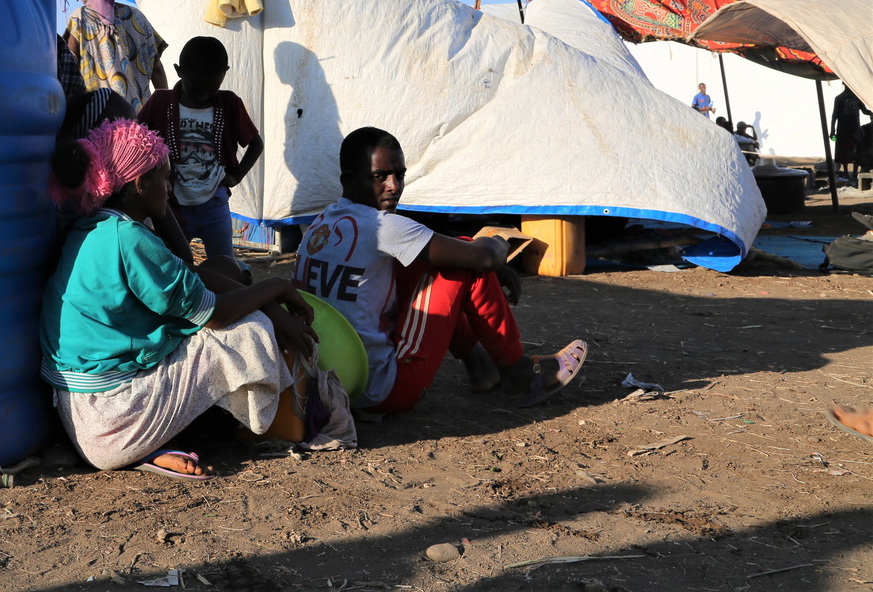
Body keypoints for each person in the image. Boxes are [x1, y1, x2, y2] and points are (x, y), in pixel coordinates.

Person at [42, 119, 317, 479]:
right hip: (117, 421)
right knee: (250, 331)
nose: (170, 189)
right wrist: (277, 287)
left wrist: (264, 298)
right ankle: (179, 439)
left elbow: (189, 270)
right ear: (140, 184)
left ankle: (157, 445)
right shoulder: (130, 239)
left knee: (222, 271)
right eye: (165, 178)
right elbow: (217, 315)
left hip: (78, 416)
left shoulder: (94, 227)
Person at [292, 127, 587, 414]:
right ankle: (518, 373)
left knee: (443, 257)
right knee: (463, 266)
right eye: (380, 176)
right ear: (349, 180)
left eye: (400, 175)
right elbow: (484, 258)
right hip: (382, 391)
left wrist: (479, 255)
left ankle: (481, 367)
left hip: (330, 383)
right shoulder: (382, 226)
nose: (394, 186)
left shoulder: (322, 223)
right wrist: (498, 243)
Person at [139, 36, 263, 261]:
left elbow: (256, 144)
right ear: (178, 71)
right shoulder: (160, 102)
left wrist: (237, 176)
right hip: (172, 206)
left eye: (212, 89)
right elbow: (136, 139)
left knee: (225, 262)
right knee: (174, 263)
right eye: (196, 89)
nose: (203, 96)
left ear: (224, 73)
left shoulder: (230, 103)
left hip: (214, 203)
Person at [62, 0, 167, 113]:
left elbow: (67, 68)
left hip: (99, 117)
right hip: (140, 116)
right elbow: (156, 68)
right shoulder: (136, 16)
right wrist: (165, 109)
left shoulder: (80, 19)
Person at [831, 86, 868, 180]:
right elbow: (835, 115)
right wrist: (832, 131)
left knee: (857, 151)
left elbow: (864, 110)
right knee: (843, 152)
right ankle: (846, 172)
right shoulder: (839, 98)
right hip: (843, 129)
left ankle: (855, 173)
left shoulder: (857, 97)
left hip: (855, 129)